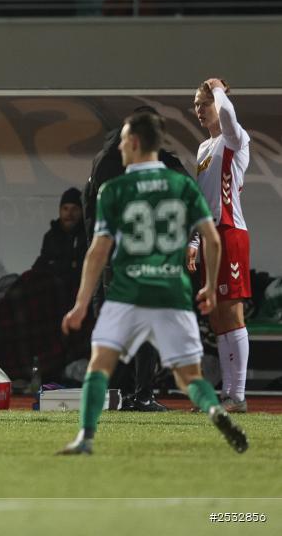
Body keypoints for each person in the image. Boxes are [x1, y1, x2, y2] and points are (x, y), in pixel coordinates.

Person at [59, 111, 247, 455]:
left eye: (122, 142)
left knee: (99, 364)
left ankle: (85, 438)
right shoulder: (183, 184)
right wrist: (206, 286)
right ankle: (216, 410)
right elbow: (212, 239)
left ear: (132, 143)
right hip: (171, 289)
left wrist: (82, 301)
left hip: (127, 288)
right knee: (189, 376)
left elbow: (97, 251)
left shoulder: (114, 188)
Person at [82, 106, 190, 412]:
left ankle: (119, 393)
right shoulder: (160, 163)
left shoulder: (104, 160)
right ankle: (141, 395)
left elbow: (90, 210)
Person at [187, 78, 251, 413]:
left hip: (230, 232)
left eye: (205, 103)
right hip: (210, 235)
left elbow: (229, 120)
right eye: (196, 104)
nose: (199, 109)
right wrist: (194, 240)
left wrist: (221, 91)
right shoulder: (202, 149)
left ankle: (237, 395)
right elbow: (202, 199)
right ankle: (226, 393)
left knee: (232, 313)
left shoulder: (235, 139)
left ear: (219, 103)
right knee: (216, 318)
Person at [32, 187, 86, 291]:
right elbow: (39, 267)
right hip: (55, 294)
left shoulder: (89, 235)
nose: (69, 214)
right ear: (60, 210)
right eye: (65, 208)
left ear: (82, 211)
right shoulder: (50, 236)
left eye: (74, 209)